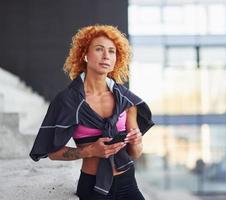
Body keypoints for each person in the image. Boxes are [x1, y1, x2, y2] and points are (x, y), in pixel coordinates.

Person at [29, 25, 154, 200]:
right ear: (85, 55)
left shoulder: (126, 100)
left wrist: (137, 141)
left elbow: (135, 153)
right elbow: (52, 152)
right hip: (93, 188)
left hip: (128, 184)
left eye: (112, 51)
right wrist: (89, 151)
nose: (106, 56)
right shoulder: (67, 100)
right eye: (99, 49)